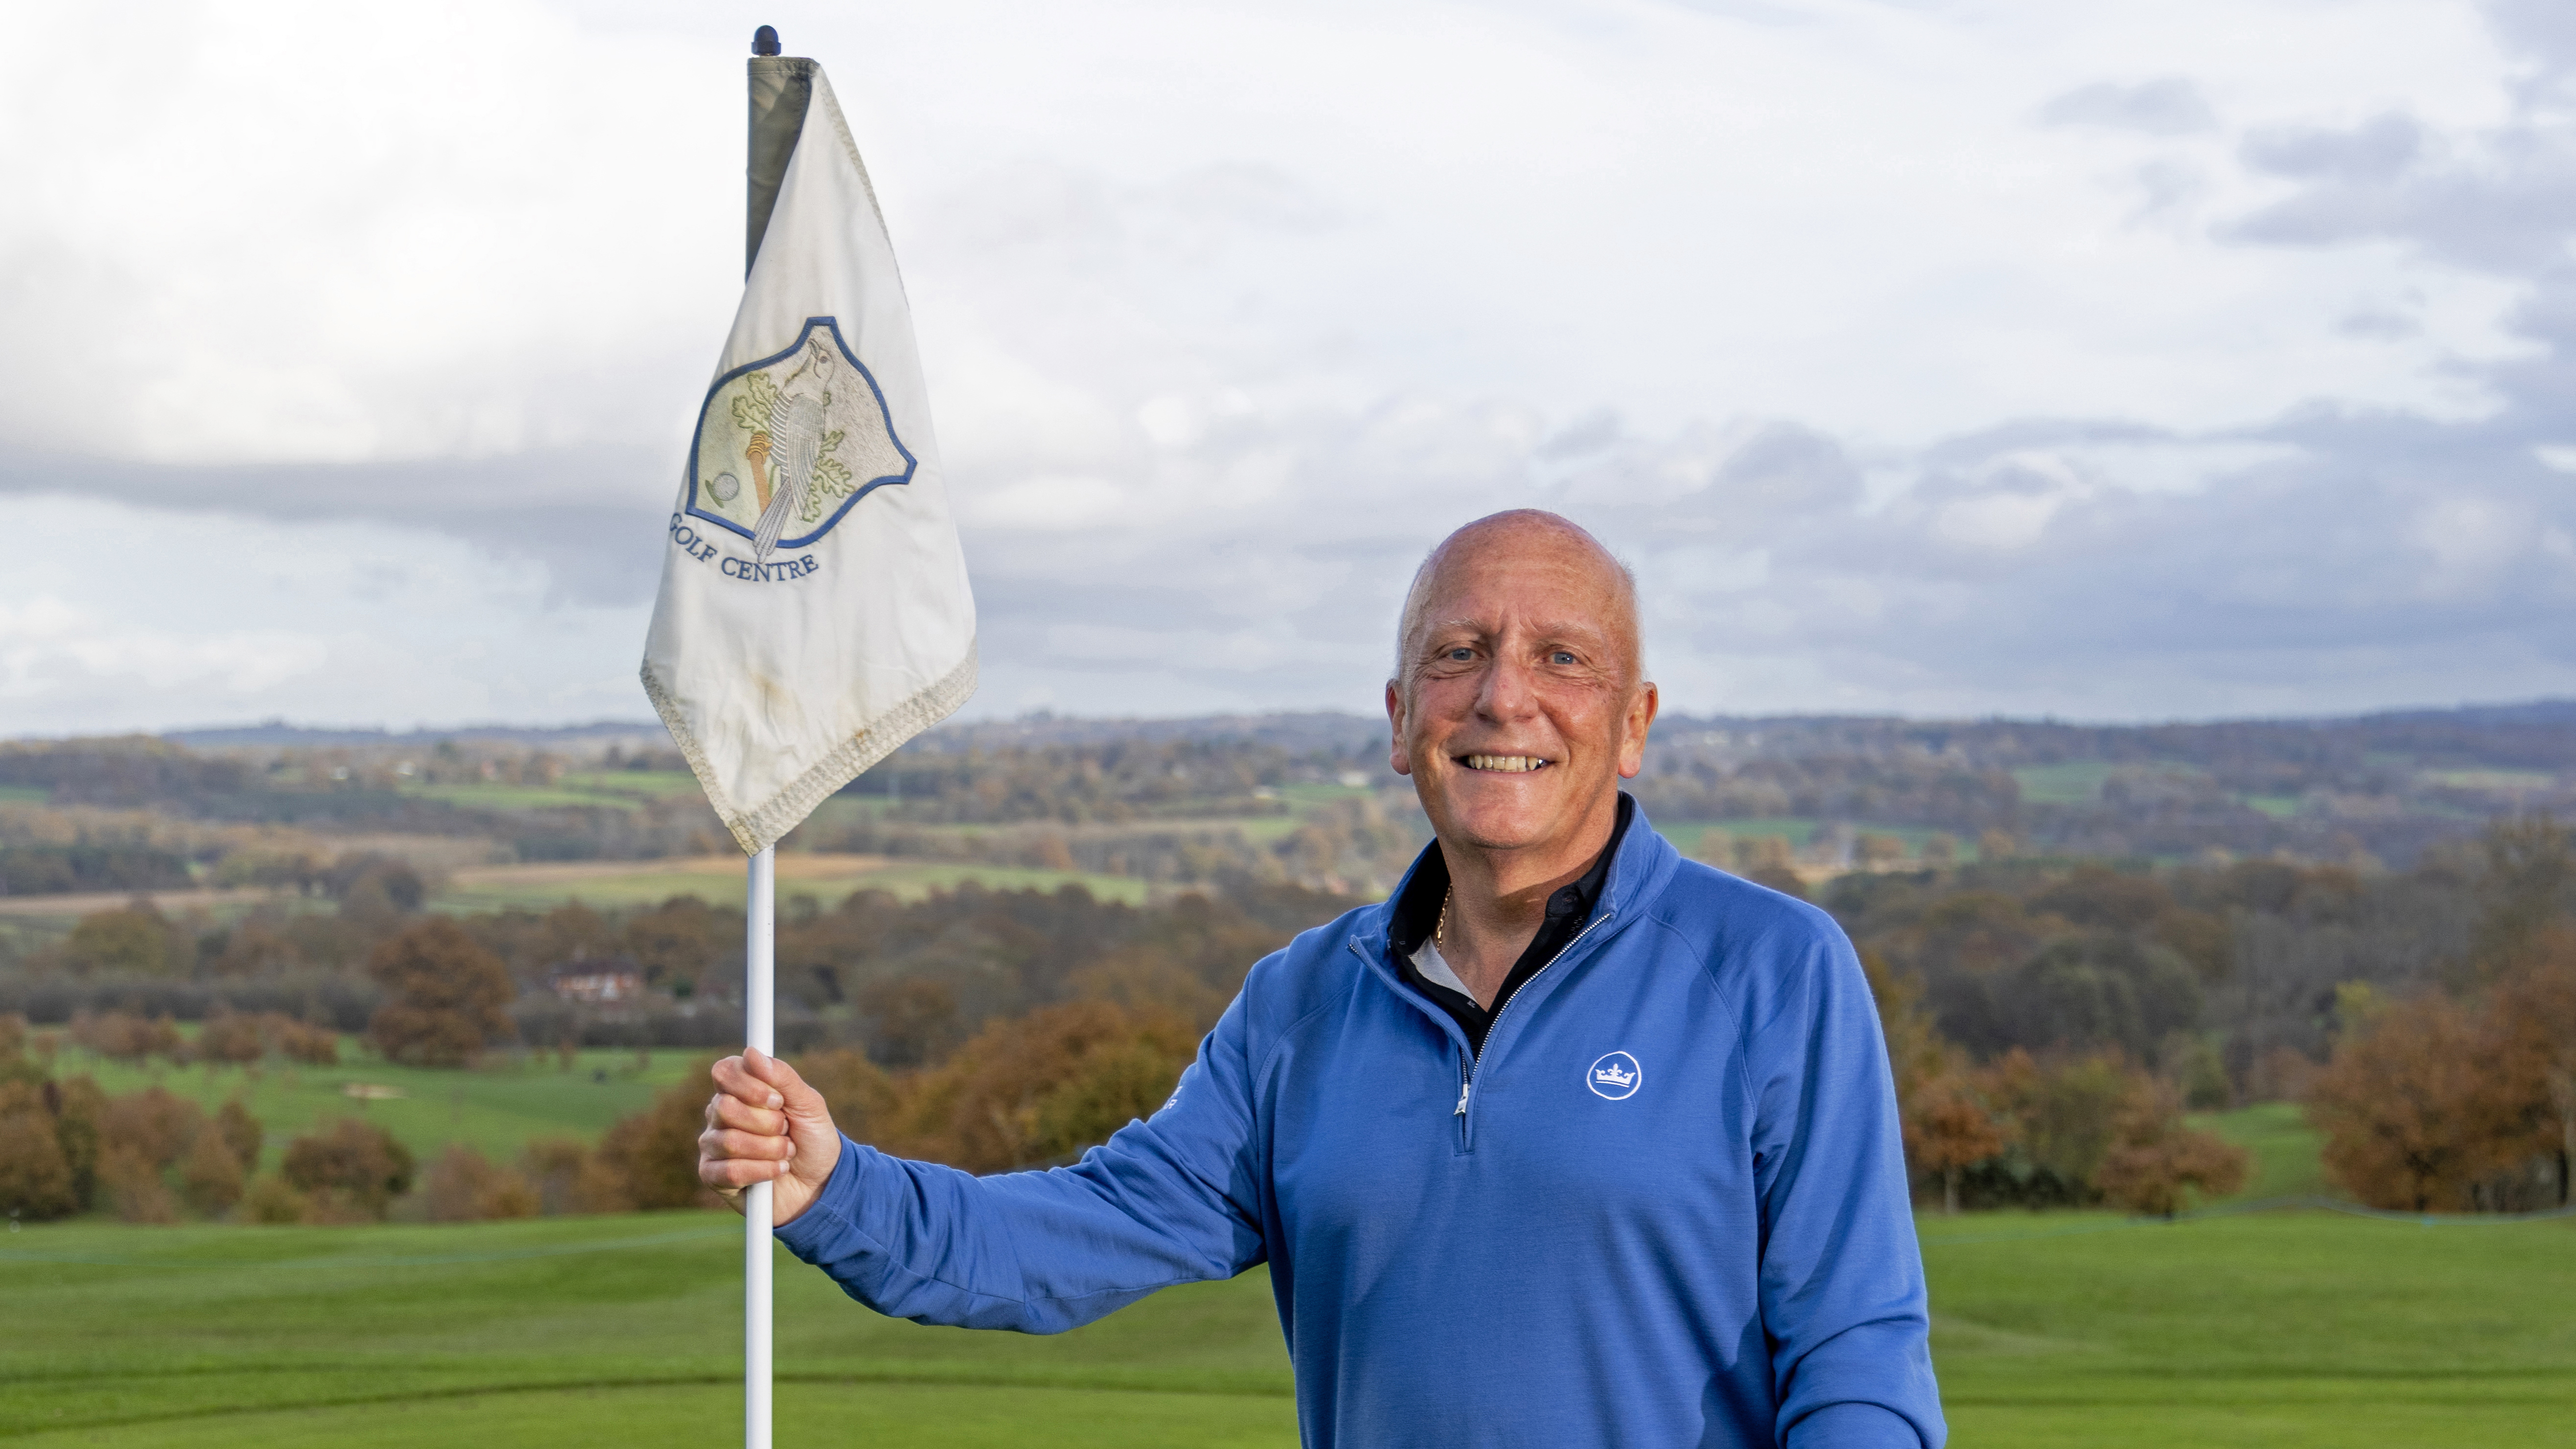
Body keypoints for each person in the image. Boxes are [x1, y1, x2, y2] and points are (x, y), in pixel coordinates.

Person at [700, 509, 1944, 1448]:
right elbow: (1070, 1237)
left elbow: (1857, 1359)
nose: (1503, 691)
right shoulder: (1296, 1005)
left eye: (1561, 657)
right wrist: (835, 1185)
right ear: (1402, 717)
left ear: (1633, 724)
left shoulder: (1773, 971)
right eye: (1460, 652)